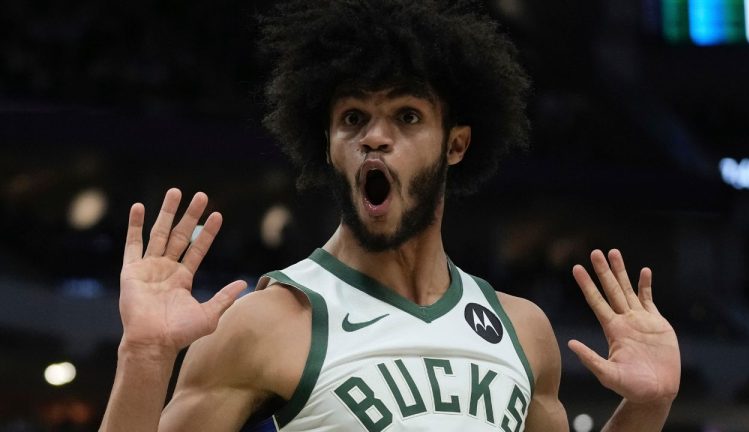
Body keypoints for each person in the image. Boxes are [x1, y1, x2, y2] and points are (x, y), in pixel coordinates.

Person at [100, 1, 681, 431]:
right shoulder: (269, 322)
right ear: (326, 144)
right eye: (353, 118)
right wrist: (144, 356)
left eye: (406, 117)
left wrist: (648, 405)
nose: (375, 136)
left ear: (455, 145)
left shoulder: (523, 330)